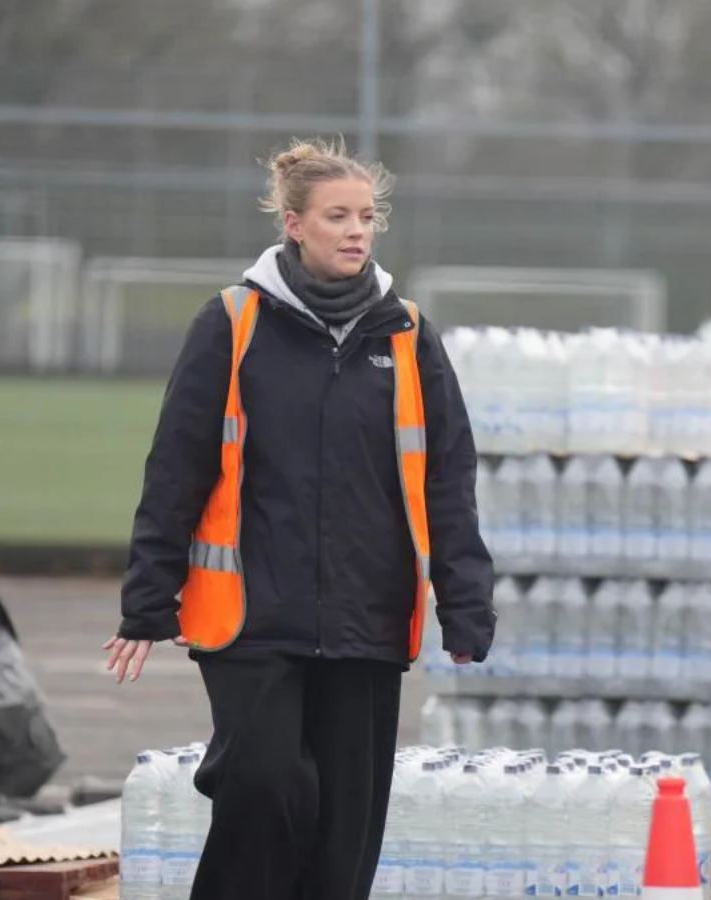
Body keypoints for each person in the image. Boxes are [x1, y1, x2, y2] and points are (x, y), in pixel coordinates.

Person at [103, 138, 495, 900]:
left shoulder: (408, 335)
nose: (357, 231)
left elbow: (448, 479)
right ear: (294, 224)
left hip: (367, 621)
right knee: (263, 785)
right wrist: (148, 599)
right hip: (252, 619)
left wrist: (466, 601)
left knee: (345, 835)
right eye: (337, 216)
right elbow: (176, 468)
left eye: (368, 217)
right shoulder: (232, 322)